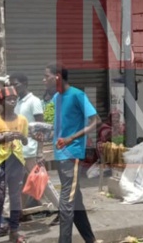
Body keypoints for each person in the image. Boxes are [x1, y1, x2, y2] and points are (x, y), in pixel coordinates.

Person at [50, 66, 99, 243]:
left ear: (57, 77)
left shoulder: (78, 95)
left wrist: (72, 137)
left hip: (72, 154)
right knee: (75, 200)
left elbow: (95, 121)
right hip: (59, 154)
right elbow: (50, 124)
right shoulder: (55, 98)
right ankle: (90, 239)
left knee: (66, 203)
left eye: (46, 76)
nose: (43, 80)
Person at [0, 86, 29, 243]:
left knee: (15, 198)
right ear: (2, 101)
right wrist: (2, 139)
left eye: (14, 99)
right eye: (9, 99)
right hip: (1, 162)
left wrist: (21, 137)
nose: (12, 102)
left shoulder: (22, 120)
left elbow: (26, 140)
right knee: (0, 198)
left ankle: (14, 231)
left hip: (17, 160)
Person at [10, 72, 45, 208]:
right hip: (19, 150)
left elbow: (41, 128)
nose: (13, 87)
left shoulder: (34, 101)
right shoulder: (17, 102)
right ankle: (20, 211)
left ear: (24, 84)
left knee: (40, 181)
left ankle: (60, 209)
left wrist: (40, 151)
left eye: (16, 84)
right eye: (11, 85)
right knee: (22, 183)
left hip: (31, 150)